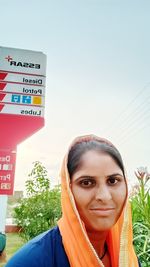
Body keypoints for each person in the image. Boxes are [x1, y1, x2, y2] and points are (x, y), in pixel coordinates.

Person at [5, 134, 141, 267]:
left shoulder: (127, 257)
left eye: (113, 181)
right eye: (87, 183)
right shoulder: (30, 261)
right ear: (68, 190)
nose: (104, 196)